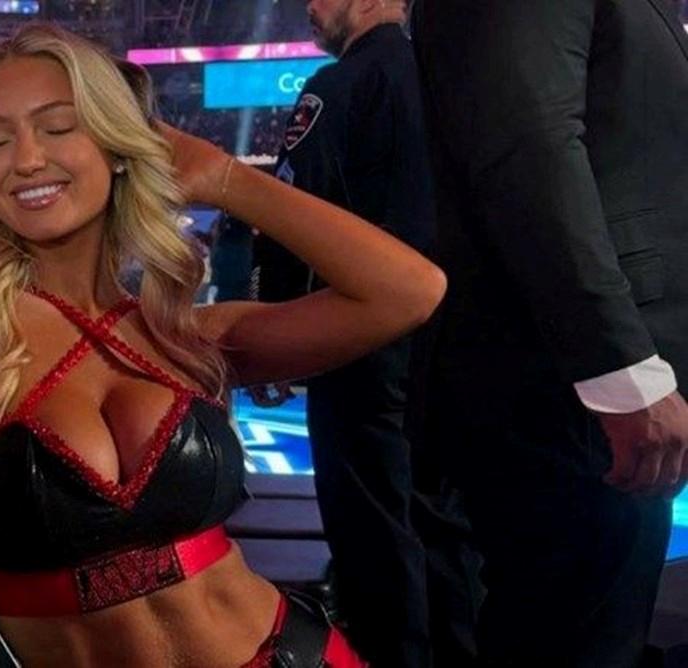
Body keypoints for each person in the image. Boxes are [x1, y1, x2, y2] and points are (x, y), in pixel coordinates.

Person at [0, 24, 445, 668]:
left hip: (290, 651)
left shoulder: (183, 334)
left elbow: (410, 291)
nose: (26, 159)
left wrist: (226, 178)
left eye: (59, 127)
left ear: (117, 145)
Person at [411, 0, 688, 665]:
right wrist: (619, 371)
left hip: (581, 376)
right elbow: (526, 151)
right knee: (577, 637)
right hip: (567, 382)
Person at [252, 2, 469, 666]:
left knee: (370, 523)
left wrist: (274, 333)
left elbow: (290, 214)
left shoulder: (338, 85)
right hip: (454, 346)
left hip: (361, 344)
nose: (311, 10)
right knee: (445, 524)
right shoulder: (455, 78)